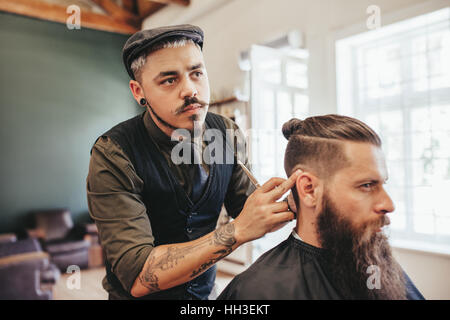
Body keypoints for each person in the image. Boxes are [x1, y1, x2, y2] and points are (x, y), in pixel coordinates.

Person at [86, 24, 298, 300]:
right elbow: (138, 275)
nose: (190, 90)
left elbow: (247, 208)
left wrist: (297, 200)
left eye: (197, 73)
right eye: (169, 80)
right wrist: (238, 231)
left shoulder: (227, 133)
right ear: (138, 91)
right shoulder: (114, 153)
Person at [218, 115, 425, 300]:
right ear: (309, 189)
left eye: (382, 184)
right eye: (367, 185)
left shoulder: (377, 266)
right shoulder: (256, 290)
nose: (388, 205)